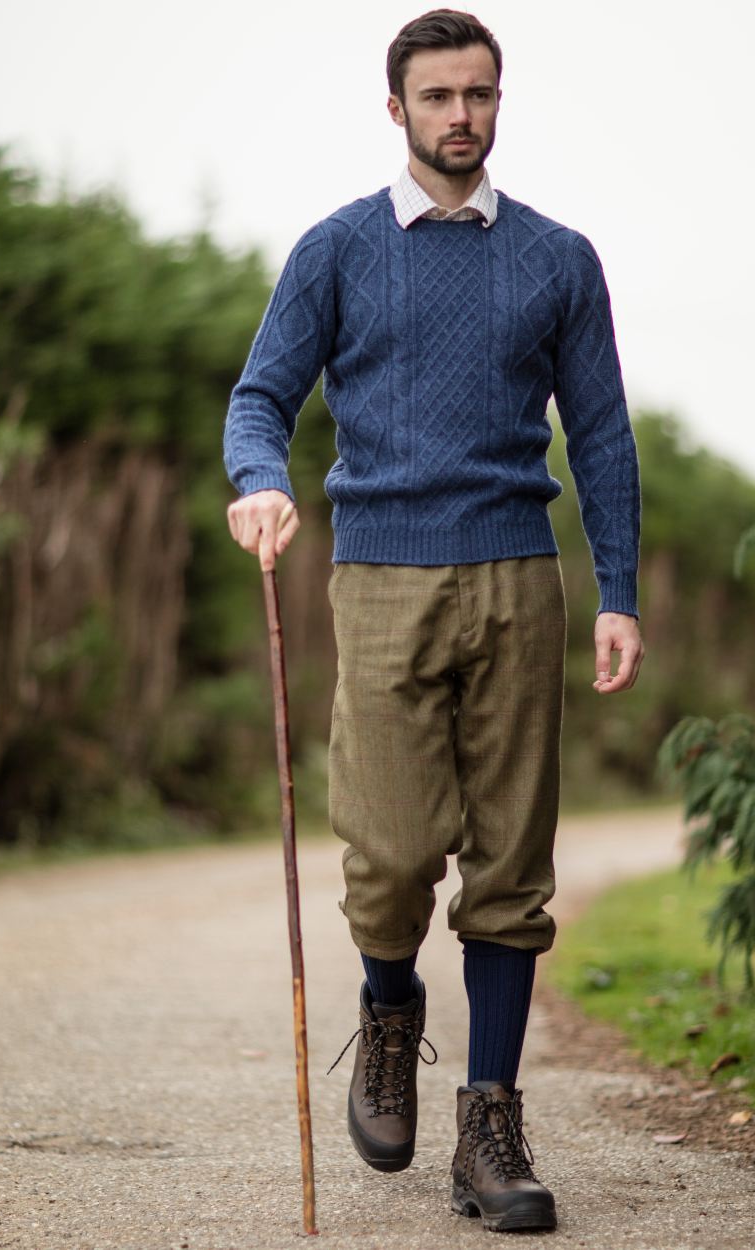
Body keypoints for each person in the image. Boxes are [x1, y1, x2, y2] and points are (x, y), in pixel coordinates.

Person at [224, 8, 643, 1233]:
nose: (461, 114)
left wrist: (616, 588)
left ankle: (491, 1124)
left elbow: (603, 433)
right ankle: (391, 1007)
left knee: (511, 865)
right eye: (438, 95)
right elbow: (262, 396)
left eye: (480, 93)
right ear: (395, 107)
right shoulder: (337, 251)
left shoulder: (559, 258)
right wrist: (260, 477)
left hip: (521, 576)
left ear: (498, 103)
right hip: (382, 579)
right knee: (394, 854)